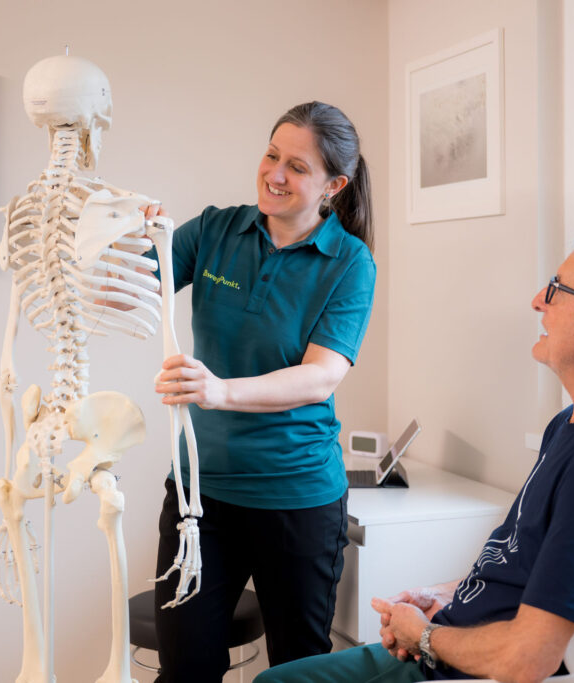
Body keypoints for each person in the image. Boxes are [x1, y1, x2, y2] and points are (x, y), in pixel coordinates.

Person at [253, 234, 574, 683]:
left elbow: (527, 660)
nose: (538, 301)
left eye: (557, 289)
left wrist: (424, 636)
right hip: (455, 643)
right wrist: (442, 596)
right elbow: (524, 568)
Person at [148, 101, 376, 683]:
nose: (275, 174)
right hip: (201, 499)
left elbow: (321, 374)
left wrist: (219, 391)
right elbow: (121, 293)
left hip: (296, 500)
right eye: (272, 155)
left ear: (335, 185)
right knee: (185, 670)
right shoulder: (215, 230)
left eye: (297, 166)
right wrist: (133, 237)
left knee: (298, 673)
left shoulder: (349, 262)